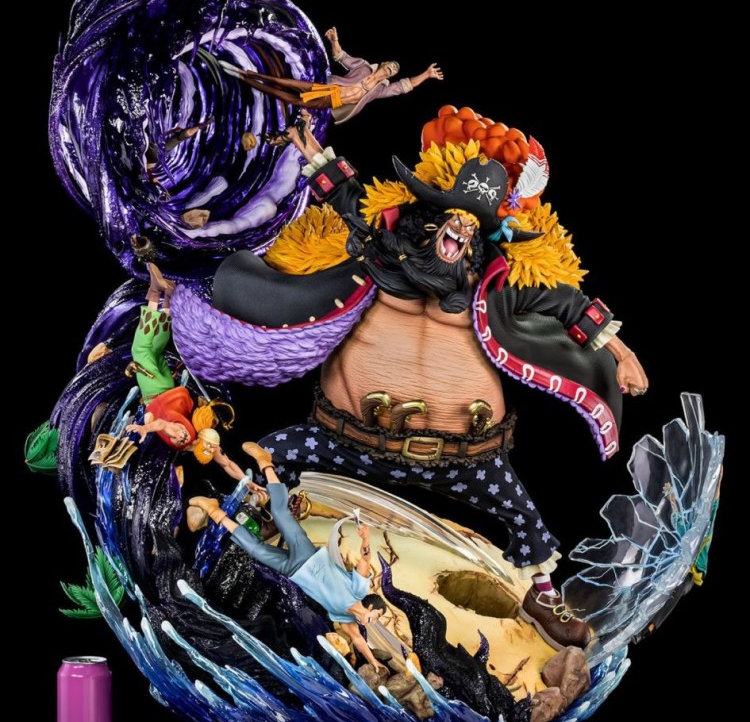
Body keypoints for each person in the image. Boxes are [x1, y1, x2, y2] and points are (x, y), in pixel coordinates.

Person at [207, 117, 649, 651]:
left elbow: (572, 305)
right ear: (427, 216)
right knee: (268, 456)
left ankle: (541, 598)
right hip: (346, 439)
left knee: (527, 521)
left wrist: (623, 356)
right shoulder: (381, 248)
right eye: (451, 216)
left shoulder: (498, 286)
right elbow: (344, 191)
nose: (459, 229)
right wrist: (309, 149)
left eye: (472, 225)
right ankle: (229, 537)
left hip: (462, 458)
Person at [190, 442, 390, 670]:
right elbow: (365, 560)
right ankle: (265, 462)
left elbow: (358, 640)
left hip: (292, 571)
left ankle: (213, 510)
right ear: (370, 608)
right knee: (279, 512)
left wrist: (374, 662)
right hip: (307, 554)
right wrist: (365, 539)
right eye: (375, 617)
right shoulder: (359, 589)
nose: (372, 622)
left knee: (255, 549)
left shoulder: (343, 617)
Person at [124, 264, 251, 485]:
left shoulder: (199, 434)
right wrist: (144, 428)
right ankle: (156, 292)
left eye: (210, 449)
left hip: (170, 387)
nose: (213, 450)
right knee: (140, 350)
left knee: (155, 350)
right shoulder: (183, 440)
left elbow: (226, 464)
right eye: (212, 449)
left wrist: (247, 482)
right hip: (155, 392)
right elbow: (162, 426)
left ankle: (168, 297)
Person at [221, 26, 443, 126]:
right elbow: (341, 57)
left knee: (289, 98)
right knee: (288, 82)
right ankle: (246, 72)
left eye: (393, 71)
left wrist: (426, 74)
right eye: (390, 66)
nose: (390, 70)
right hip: (327, 87)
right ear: (382, 64)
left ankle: (245, 80)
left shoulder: (380, 90)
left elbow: (404, 87)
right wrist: (335, 40)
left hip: (332, 101)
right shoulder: (364, 67)